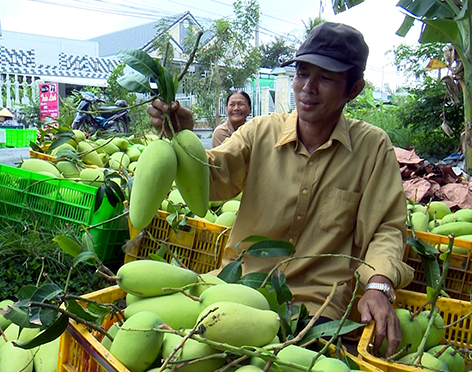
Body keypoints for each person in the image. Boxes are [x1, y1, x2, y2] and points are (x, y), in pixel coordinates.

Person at [147, 22, 413, 357]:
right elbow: (212, 179)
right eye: (302, 73)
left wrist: (378, 284)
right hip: (238, 285)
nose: (308, 88)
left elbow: (387, 228)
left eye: (326, 78)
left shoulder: (372, 148)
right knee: (172, 347)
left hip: (317, 309)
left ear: (354, 88)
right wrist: (182, 140)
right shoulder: (260, 132)